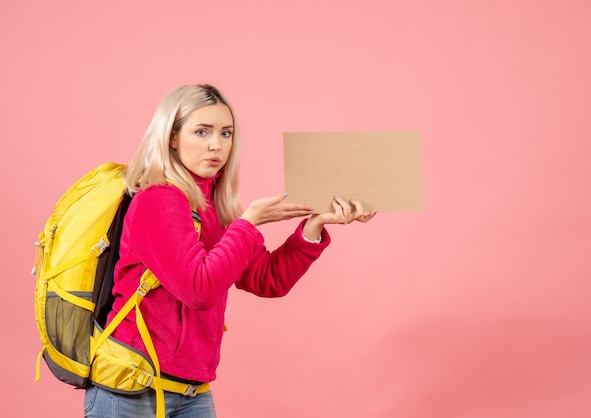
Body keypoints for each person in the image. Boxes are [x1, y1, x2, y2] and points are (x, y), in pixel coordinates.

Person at [83, 84, 376, 417]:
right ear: (172, 137)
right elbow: (199, 290)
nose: (216, 145)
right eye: (202, 132)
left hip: (190, 393)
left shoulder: (212, 208)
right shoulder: (158, 199)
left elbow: (268, 279)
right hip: (131, 392)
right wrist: (248, 223)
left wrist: (314, 225)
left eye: (226, 133)